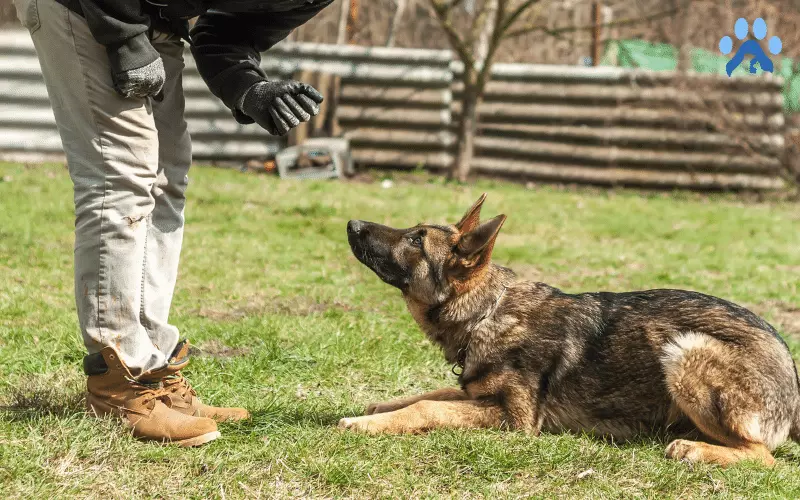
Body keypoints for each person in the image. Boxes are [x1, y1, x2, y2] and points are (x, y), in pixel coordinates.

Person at [13, 0, 333, 447]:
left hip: (154, 19)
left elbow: (226, 32)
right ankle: (117, 376)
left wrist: (249, 89)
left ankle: (152, 368)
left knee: (166, 178)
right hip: (89, 8)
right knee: (119, 174)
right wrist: (123, 36)